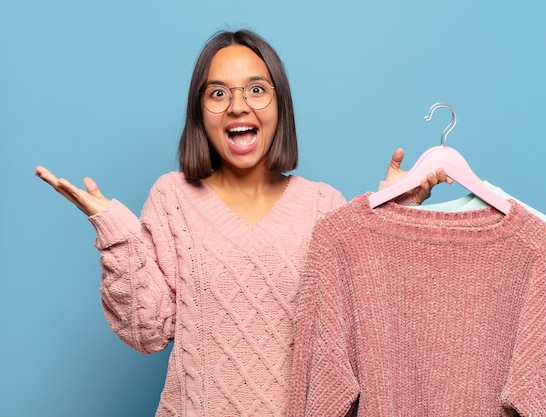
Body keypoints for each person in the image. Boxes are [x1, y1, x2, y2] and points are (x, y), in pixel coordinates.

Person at [35, 29, 450, 416]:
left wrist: (393, 207)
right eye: (218, 92)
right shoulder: (172, 199)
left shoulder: (324, 206)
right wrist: (117, 234)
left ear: (279, 104)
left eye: (256, 89)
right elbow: (147, 333)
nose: (238, 104)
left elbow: (369, 327)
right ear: (200, 111)